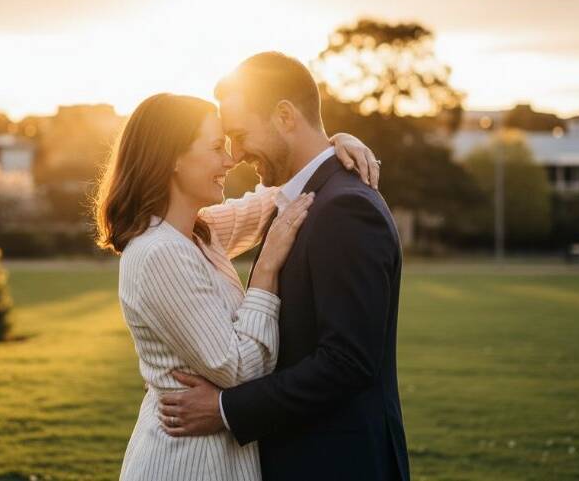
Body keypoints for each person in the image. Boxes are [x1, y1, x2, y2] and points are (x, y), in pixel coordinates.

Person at [94, 91, 378, 480]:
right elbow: (239, 371)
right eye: (216, 147)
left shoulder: (198, 234)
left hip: (218, 456)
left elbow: (276, 198)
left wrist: (332, 144)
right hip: (186, 463)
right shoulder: (159, 253)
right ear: (172, 158)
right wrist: (265, 274)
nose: (231, 160)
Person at [158, 52, 410, 481]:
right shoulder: (293, 199)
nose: (234, 154)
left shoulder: (345, 208)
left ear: (285, 116)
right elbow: (167, 229)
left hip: (338, 463)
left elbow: (347, 361)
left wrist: (224, 409)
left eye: (239, 134)